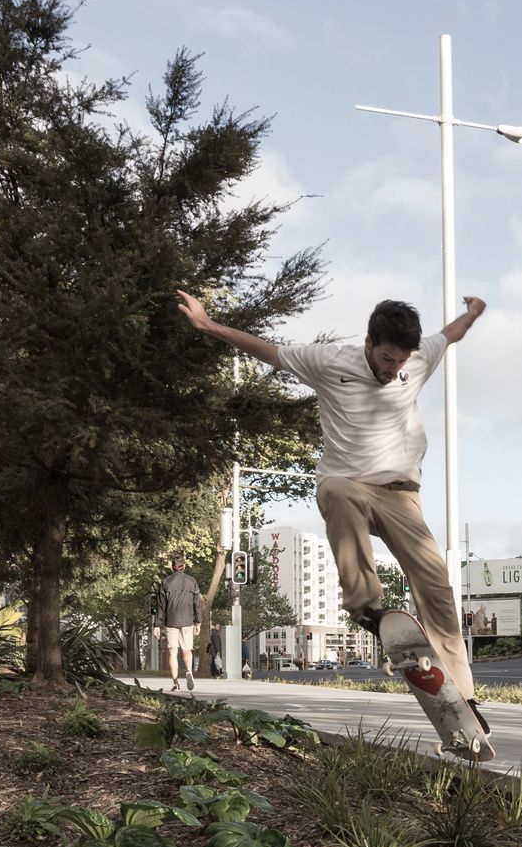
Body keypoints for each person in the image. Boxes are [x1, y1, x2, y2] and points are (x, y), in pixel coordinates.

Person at [176, 289, 490, 734]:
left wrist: (473, 312)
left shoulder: (419, 357)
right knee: (340, 492)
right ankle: (365, 607)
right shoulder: (328, 361)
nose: (392, 369)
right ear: (369, 342)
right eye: (385, 358)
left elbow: (451, 333)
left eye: (400, 361)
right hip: (345, 483)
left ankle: (465, 698)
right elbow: (268, 351)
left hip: (400, 494)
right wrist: (209, 326)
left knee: (436, 586)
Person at [151, 554, 205, 691]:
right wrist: (198, 622)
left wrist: (157, 625)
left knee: (173, 651)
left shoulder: (165, 582)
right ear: (184, 566)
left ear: (172, 567)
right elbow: (197, 604)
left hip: (171, 621)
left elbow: (161, 606)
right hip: (187, 620)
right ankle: (189, 671)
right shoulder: (192, 581)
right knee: (187, 649)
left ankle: (175, 683)